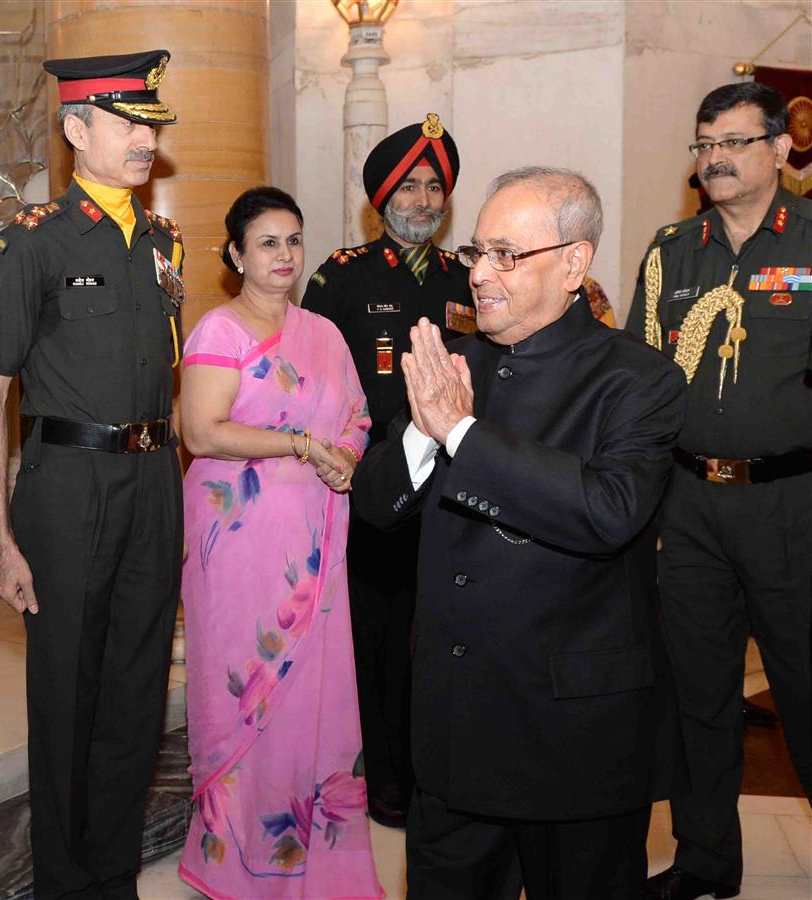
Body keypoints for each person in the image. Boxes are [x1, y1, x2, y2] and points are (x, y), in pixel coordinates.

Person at [352, 167, 687, 898]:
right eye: (477, 253)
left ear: (574, 262)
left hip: (573, 735)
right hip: (455, 732)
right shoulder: (454, 365)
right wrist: (423, 437)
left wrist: (463, 435)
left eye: (508, 255)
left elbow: (607, 512)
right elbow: (374, 503)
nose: (481, 275)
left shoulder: (637, 379)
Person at [0, 49, 184, 899]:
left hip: (153, 480)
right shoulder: (33, 242)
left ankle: (114, 875)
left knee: (136, 692)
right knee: (65, 698)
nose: (145, 140)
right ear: (75, 129)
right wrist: (2, 536)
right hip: (68, 483)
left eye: (151, 125)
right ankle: (64, 884)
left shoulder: (162, 241)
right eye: (128, 123)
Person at [626, 82, 811, 900]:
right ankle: (707, 859)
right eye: (705, 145)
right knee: (699, 694)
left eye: (735, 142)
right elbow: (641, 383)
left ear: (781, 148)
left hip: (792, 505)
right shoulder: (671, 250)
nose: (717, 159)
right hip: (690, 505)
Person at [176, 186, 383, 899]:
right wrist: (301, 443)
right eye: (267, 242)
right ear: (235, 254)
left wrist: (344, 456)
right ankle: (237, 862)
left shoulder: (323, 333)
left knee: (315, 700)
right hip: (239, 544)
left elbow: (357, 415)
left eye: (293, 240)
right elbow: (202, 432)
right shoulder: (218, 332)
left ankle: (314, 859)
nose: (285, 255)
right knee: (245, 693)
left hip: (316, 541)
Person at [301, 114, 468, 828]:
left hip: (459, 490)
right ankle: (388, 774)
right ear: (382, 199)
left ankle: (444, 766)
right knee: (380, 637)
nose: (424, 200)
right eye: (410, 186)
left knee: (448, 632)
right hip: (377, 489)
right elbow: (308, 378)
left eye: (436, 186)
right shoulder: (343, 277)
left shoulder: (470, 276)